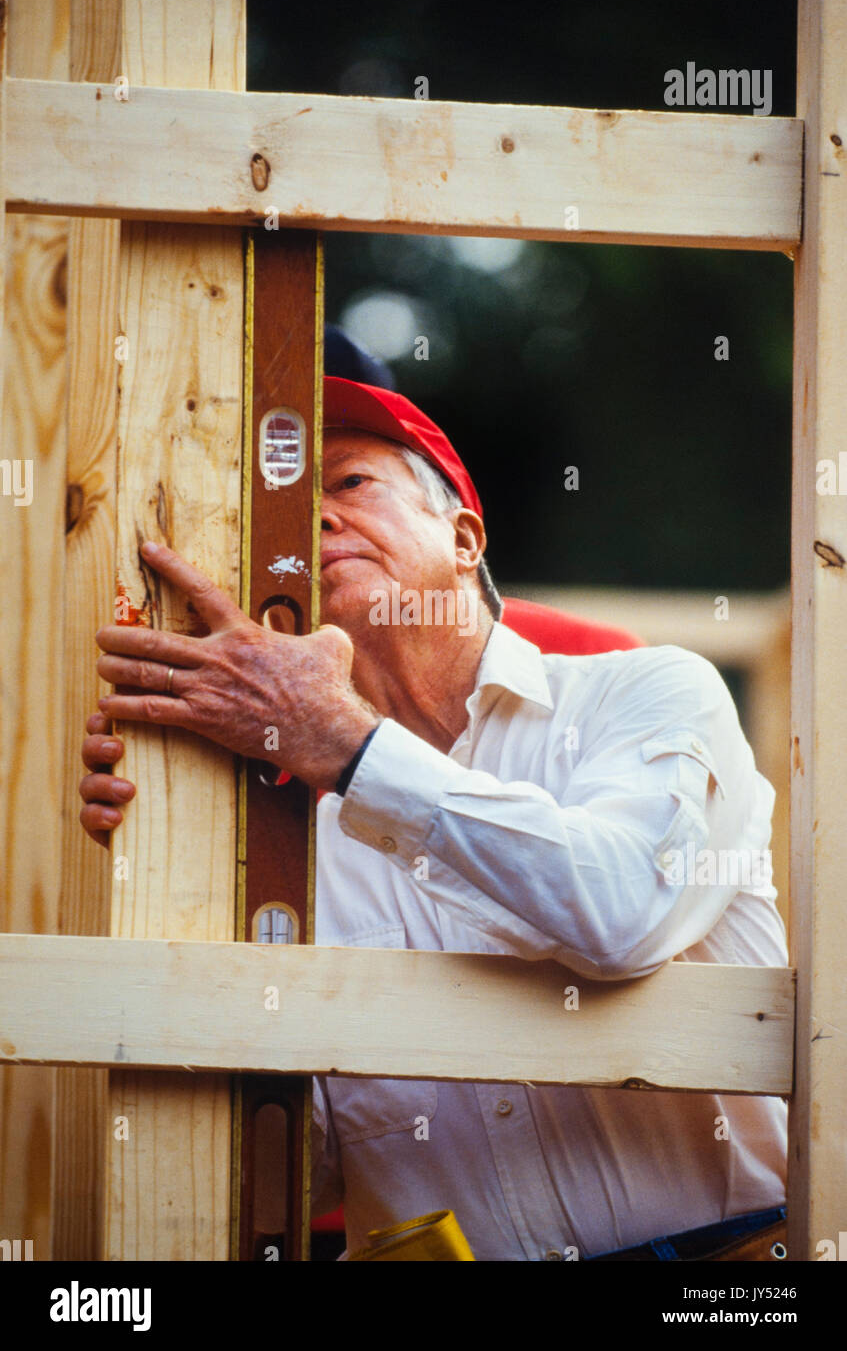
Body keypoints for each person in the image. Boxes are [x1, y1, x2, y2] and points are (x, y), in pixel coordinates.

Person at [79, 376, 788, 1262]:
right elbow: (291, 1177)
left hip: (732, 1281)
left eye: (349, 484)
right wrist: (134, 886)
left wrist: (341, 743)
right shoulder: (267, 837)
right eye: (286, 508)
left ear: (462, 540)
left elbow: (620, 914)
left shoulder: (648, 691)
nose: (316, 519)